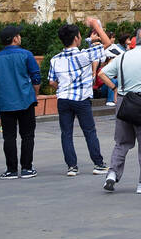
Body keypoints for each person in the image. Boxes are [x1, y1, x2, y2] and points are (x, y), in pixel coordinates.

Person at [97, 23, 141, 194]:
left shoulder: (123, 56)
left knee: (122, 142)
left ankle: (112, 173)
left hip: (123, 101)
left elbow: (102, 74)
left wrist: (115, 88)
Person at [48, 22, 112, 177]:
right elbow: (107, 43)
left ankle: (72, 166)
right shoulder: (84, 55)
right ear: (77, 38)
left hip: (63, 99)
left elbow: (51, 82)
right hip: (81, 98)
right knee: (89, 131)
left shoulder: (55, 59)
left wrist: (63, 88)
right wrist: (96, 25)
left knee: (66, 133)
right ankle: (98, 163)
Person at [0, 25, 41, 179]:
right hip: (25, 100)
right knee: (27, 135)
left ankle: (11, 169)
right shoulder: (26, 55)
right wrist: (34, 93)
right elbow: (36, 77)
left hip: (5, 102)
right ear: (15, 38)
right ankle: (27, 168)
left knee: (9, 136)